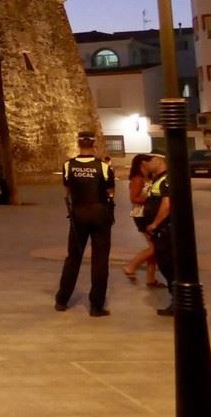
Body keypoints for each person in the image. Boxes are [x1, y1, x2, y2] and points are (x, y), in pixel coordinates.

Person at [54, 132, 114, 317]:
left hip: (78, 214)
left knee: (73, 257)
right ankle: (96, 306)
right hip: (100, 214)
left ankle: (62, 300)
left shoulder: (68, 165)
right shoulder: (103, 166)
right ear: (94, 144)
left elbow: (67, 189)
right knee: (100, 260)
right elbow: (111, 191)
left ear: (78, 144)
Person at [142, 154, 175, 317]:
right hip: (160, 231)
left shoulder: (166, 179)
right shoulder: (158, 179)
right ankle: (176, 300)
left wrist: (155, 223)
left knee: (169, 265)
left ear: (160, 161)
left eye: (150, 160)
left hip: (165, 230)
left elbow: (167, 204)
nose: (147, 163)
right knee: (164, 264)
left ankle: (177, 301)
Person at [121, 154, 160, 287]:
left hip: (148, 213)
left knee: (154, 246)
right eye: (150, 161)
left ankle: (150, 278)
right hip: (142, 214)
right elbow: (133, 198)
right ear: (143, 163)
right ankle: (131, 266)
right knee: (156, 247)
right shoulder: (138, 179)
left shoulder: (148, 178)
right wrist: (152, 200)